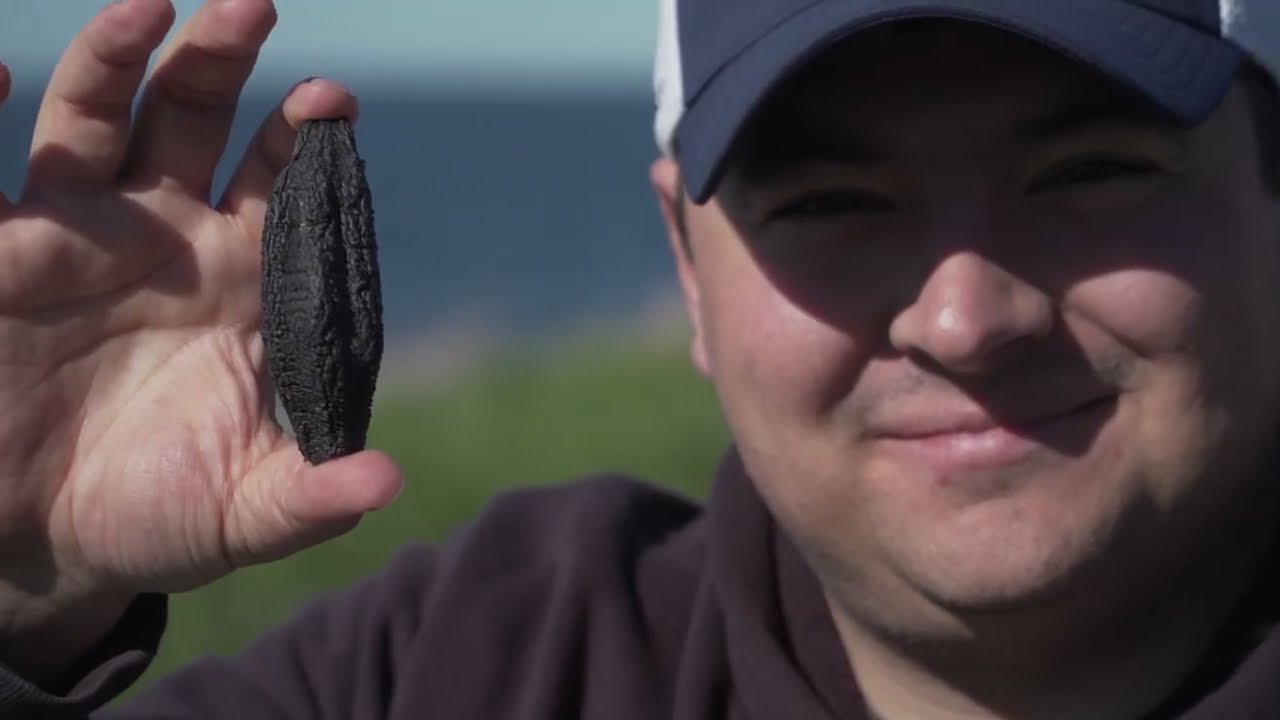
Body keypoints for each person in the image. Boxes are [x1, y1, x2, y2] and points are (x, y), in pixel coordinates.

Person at [1, 0, 1279, 717]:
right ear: (684, 262)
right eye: (832, 200)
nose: (963, 319)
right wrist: (24, 595)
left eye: (1091, 173)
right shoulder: (468, 672)